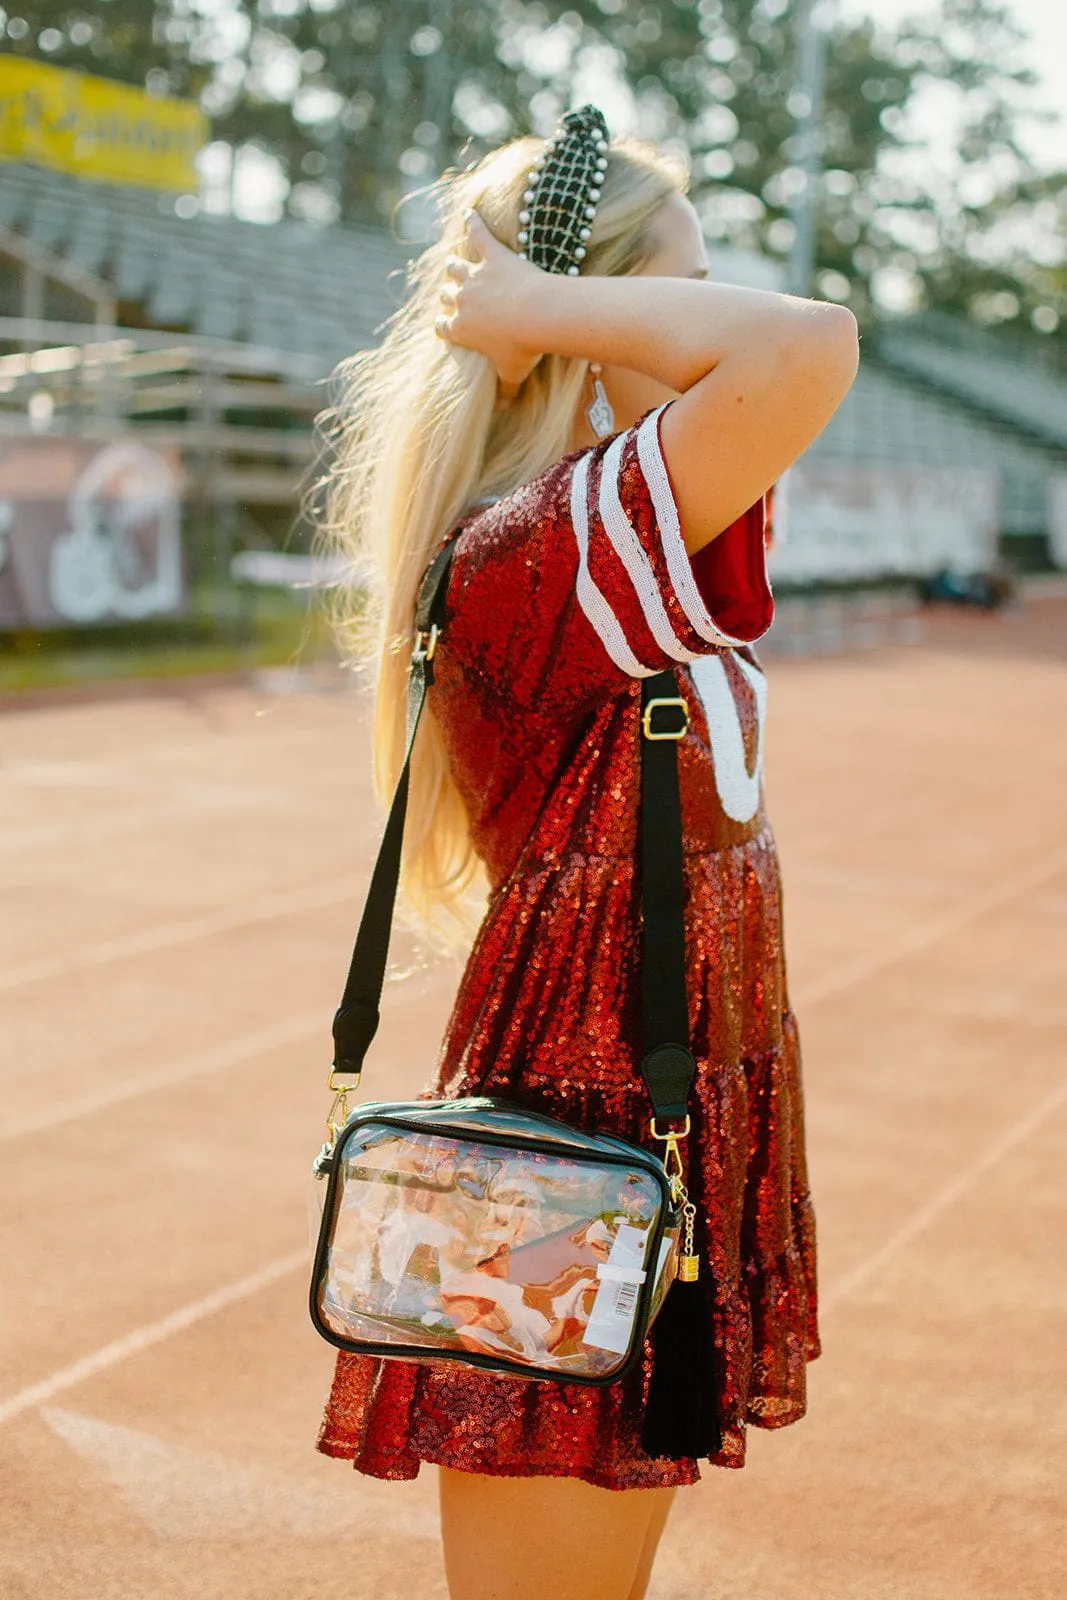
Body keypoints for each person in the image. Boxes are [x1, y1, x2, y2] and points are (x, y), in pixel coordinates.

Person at [317, 106, 859, 1600]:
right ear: (582, 315)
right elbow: (806, 344)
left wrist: (560, 314)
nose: (695, 328)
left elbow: (772, 366)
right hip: (583, 1126)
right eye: (676, 287)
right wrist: (534, 311)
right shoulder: (542, 547)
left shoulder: (623, 522)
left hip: (660, 1098)